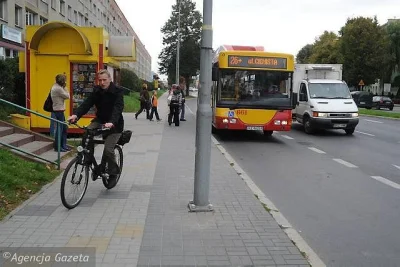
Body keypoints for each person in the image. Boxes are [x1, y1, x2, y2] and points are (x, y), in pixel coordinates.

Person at [67, 69, 124, 188]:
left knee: (108, 150)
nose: (102, 82)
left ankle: (113, 173)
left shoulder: (117, 91)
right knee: (88, 132)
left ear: (110, 79)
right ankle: (88, 159)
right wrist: (76, 115)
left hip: (115, 125)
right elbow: (87, 104)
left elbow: (118, 108)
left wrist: (111, 122)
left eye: (104, 80)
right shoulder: (97, 91)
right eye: (100, 80)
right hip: (100, 120)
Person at [51, 74, 70, 152]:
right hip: (58, 110)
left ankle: (63, 145)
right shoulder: (58, 88)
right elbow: (67, 96)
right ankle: (58, 147)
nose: (65, 81)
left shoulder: (57, 87)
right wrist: (65, 87)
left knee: (64, 128)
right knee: (60, 129)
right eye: (64, 80)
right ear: (62, 81)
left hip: (59, 110)